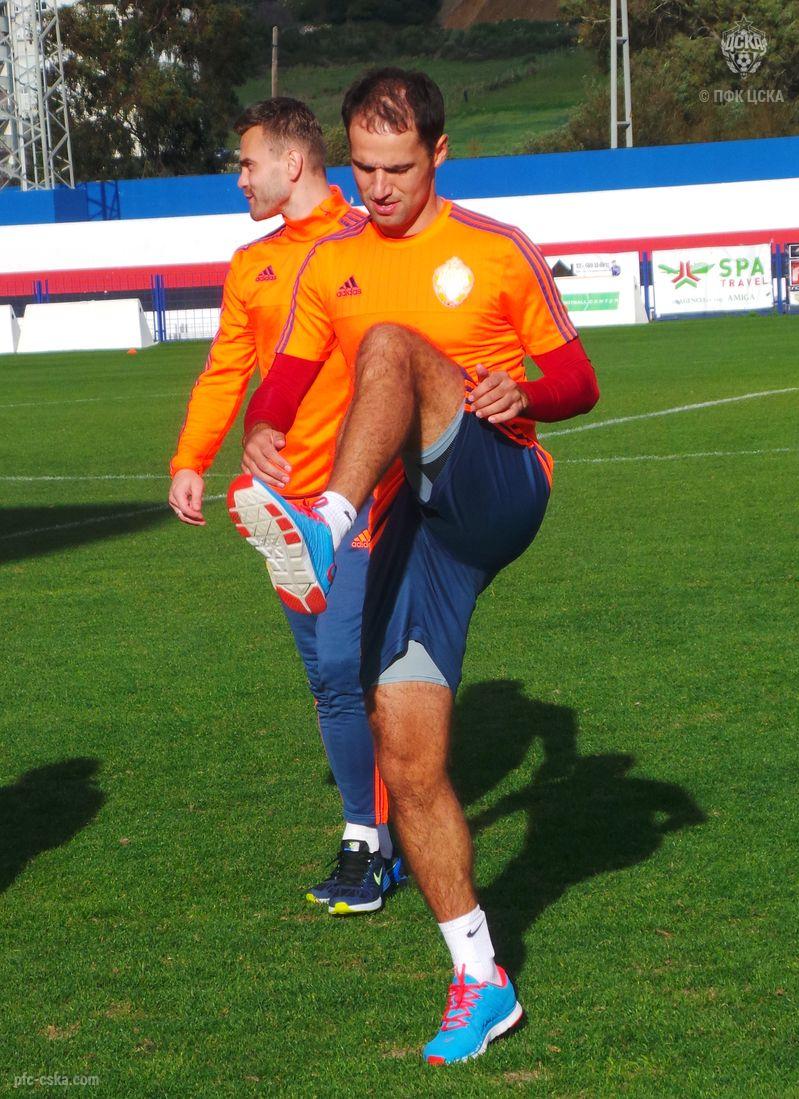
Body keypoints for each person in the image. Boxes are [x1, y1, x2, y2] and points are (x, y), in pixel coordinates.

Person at [230, 69, 599, 1063]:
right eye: (364, 167)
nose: (379, 187)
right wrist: (263, 427)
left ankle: (324, 526)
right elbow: (288, 376)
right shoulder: (332, 261)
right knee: (409, 756)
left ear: (438, 153)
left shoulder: (494, 249)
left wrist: (517, 390)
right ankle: (480, 978)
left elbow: (577, 380)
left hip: (495, 485)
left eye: (398, 167)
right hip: (416, 527)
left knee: (391, 346)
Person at [168, 97, 404, 916]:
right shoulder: (252, 265)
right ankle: (381, 836)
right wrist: (192, 458)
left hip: (363, 496)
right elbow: (226, 369)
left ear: (292, 162)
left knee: (341, 669)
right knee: (327, 680)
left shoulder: (370, 240)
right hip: (280, 507)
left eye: (247, 163)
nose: (239, 179)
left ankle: (362, 842)